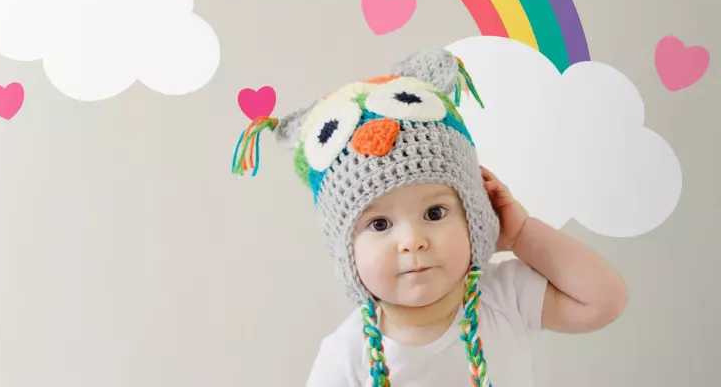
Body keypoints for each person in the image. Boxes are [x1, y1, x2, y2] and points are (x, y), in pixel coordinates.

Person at [231, 49, 629, 386]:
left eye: (435, 213)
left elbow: (602, 301)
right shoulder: (347, 356)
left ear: (474, 215)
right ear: (347, 251)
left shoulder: (504, 296)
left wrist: (522, 233)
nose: (412, 241)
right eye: (380, 225)